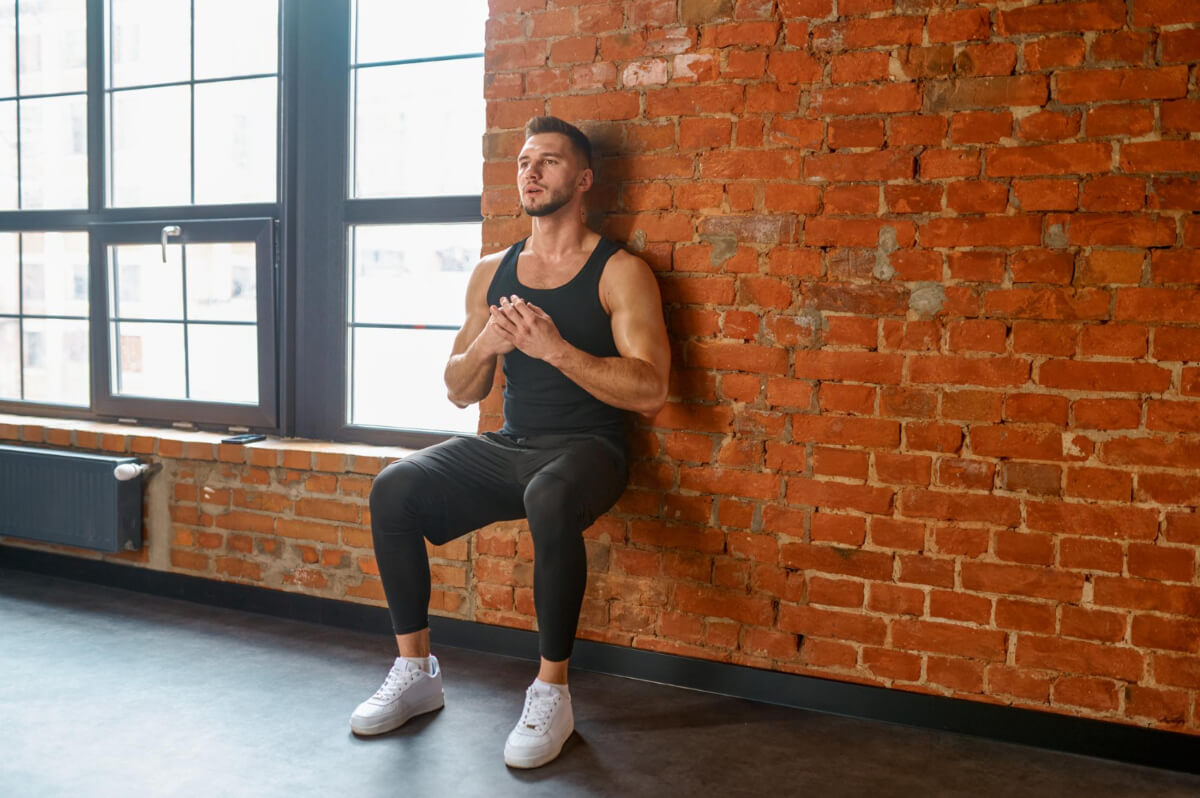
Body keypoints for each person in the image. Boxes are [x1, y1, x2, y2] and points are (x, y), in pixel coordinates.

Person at [350, 116, 671, 769]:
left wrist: (556, 350)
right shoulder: (491, 272)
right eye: (525, 161)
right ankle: (416, 672)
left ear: (583, 178)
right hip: (511, 443)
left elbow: (651, 390)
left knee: (548, 495)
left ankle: (552, 692)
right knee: (395, 488)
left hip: (591, 448)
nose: (531, 172)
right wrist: (486, 346)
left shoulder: (619, 271)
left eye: (548, 161)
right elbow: (458, 391)